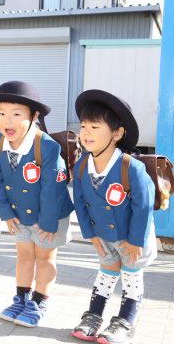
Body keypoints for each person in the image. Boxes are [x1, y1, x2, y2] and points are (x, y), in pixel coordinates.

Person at [0, 81, 73, 327]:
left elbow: (52, 189)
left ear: (34, 116)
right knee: (23, 256)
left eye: (15, 114)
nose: (6, 121)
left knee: (45, 258)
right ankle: (21, 298)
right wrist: (6, 212)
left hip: (49, 215)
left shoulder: (47, 146)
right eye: (1, 114)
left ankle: (39, 301)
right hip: (19, 214)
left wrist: (47, 222)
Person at [70, 90, 156, 344]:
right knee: (105, 274)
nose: (86, 132)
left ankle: (124, 323)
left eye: (95, 126)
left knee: (130, 278)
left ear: (117, 133)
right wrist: (91, 234)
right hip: (103, 237)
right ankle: (93, 317)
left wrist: (135, 241)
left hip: (132, 239)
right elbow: (80, 202)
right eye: (83, 125)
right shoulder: (83, 165)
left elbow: (144, 208)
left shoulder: (132, 167)